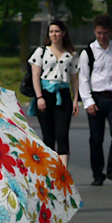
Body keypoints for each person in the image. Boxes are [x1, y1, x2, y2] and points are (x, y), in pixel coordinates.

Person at [77, 13, 112, 186]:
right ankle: (97, 174)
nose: (102, 37)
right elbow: (83, 78)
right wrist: (88, 101)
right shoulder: (88, 53)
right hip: (95, 98)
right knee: (96, 138)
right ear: (95, 31)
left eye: (105, 33)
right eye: (99, 33)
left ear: (110, 32)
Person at [28, 19, 79, 166]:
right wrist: (39, 97)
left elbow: (74, 78)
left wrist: (75, 99)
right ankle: (49, 171)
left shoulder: (71, 55)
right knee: (48, 136)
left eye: (57, 31)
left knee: (62, 135)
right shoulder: (41, 52)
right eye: (51, 32)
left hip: (63, 95)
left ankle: (63, 172)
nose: (54, 35)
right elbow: (35, 75)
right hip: (45, 94)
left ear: (63, 33)